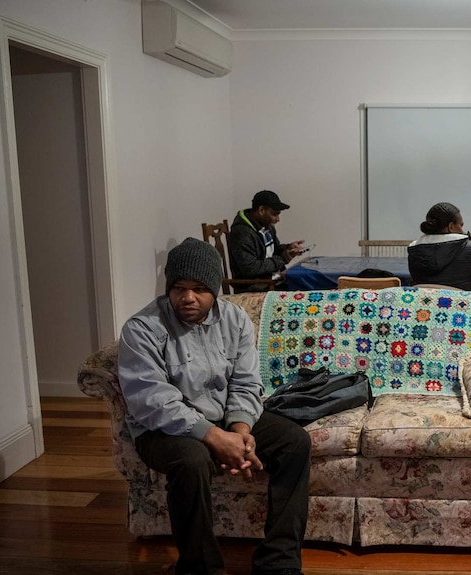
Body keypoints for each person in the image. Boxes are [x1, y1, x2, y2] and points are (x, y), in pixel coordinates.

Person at [118, 238, 310, 575]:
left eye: (199, 289)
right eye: (178, 287)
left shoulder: (234, 319)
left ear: (215, 289)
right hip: (162, 430)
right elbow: (152, 400)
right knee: (192, 460)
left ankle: (278, 562)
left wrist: (240, 431)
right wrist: (213, 437)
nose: (187, 297)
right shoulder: (142, 328)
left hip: (224, 416)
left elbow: (247, 381)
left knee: (294, 442)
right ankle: (199, 567)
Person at [229, 190, 305, 293]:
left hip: (271, 280)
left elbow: (274, 249)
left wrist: (288, 248)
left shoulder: (266, 226)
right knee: (303, 289)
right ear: (261, 210)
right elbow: (250, 269)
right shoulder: (242, 233)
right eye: (274, 214)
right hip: (255, 287)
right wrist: (282, 259)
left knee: (305, 283)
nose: (277, 219)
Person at [407, 202, 471, 291]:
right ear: (451, 227)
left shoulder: (414, 250)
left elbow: (416, 280)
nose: (462, 230)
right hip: (461, 303)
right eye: (460, 225)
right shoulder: (468, 247)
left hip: (424, 303)